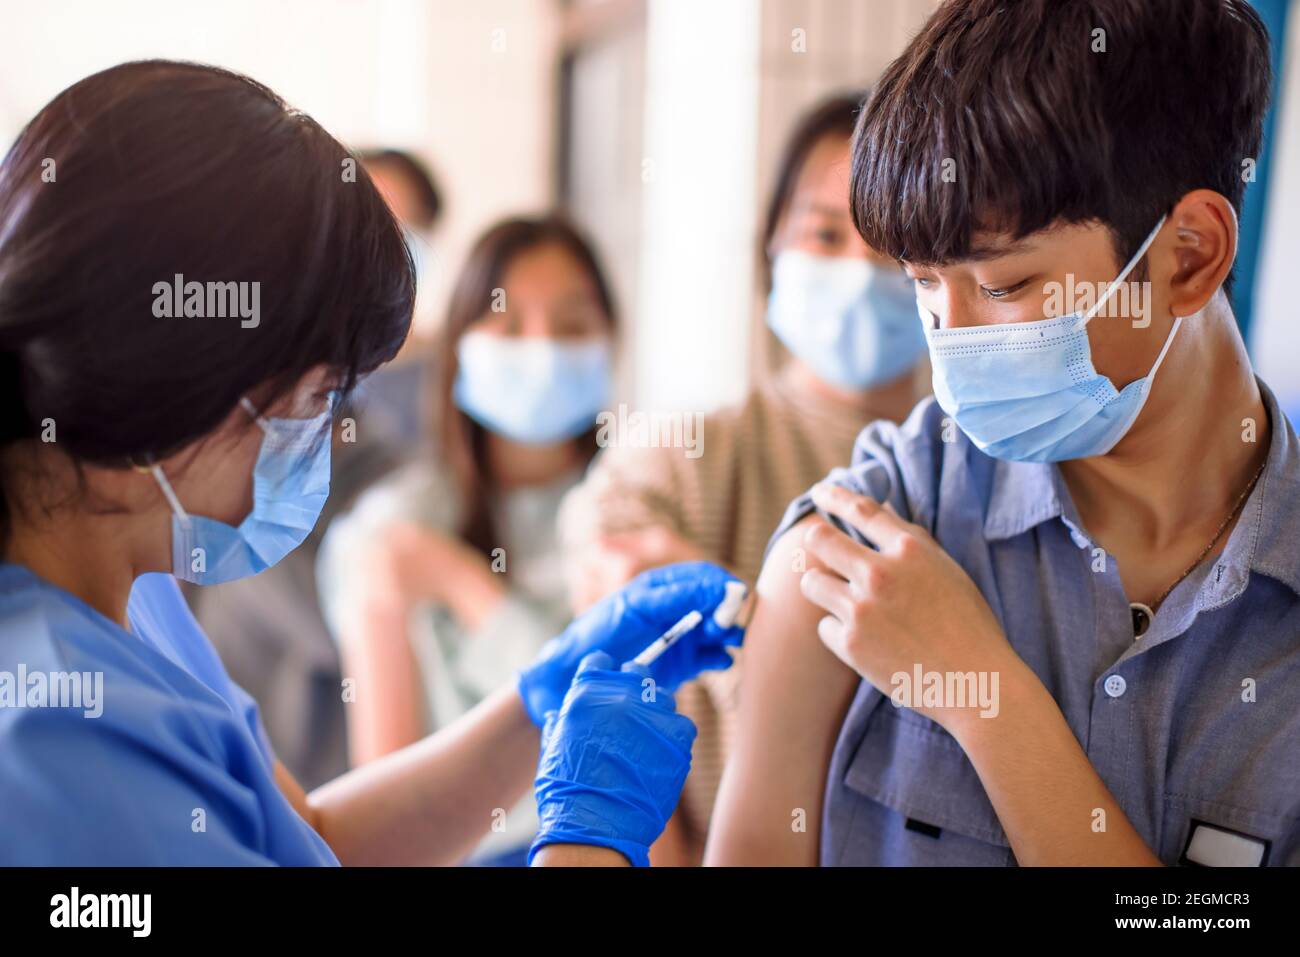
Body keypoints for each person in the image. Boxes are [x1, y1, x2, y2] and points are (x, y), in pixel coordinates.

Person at [0, 60, 743, 868]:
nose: (324, 438)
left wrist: (537, 703)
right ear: (181, 380)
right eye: (318, 398)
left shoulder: (135, 590)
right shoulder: (51, 723)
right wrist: (590, 836)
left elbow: (314, 838)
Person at [706, 0, 1300, 867]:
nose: (951, 344)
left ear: (1188, 257)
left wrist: (987, 700)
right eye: (921, 284)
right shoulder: (858, 547)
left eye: (1004, 286)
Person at [558, 92, 929, 864]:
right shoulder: (676, 459)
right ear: (771, 247)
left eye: (893, 246)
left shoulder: (1000, 469)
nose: (858, 271)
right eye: (826, 233)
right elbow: (620, 697)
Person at [317, 215, 617, 862]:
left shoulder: (642, 507)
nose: (541, 350)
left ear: (611, 342)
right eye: (509, 325)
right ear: (459, 345)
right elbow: (385, 801)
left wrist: (467, 587)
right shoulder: (390, 529)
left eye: (571, 326)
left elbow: (613, 732)